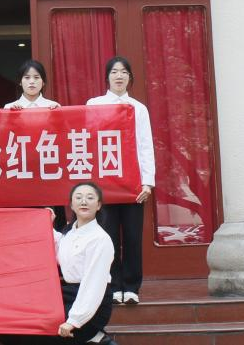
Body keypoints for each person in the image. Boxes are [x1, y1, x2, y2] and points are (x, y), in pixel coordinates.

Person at [0, 182, 117, 345]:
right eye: (78, 197)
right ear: (71, 205)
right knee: (7, 327)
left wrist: (74, 321)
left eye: (90, 198)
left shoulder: (100, 239)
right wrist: (45, 223)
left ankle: (95, 337)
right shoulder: (70, 233)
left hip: (90, 304)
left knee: (35, 332)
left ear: (99, 205)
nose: (83, 201)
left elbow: (93, 285)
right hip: (66, 296)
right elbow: (59, 250)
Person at [85, 57, 154, 306]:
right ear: (107, 77)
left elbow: (145, 145)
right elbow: (88, 141)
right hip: (106, 184)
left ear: (130, 77)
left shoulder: (138, 108)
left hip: (133, 184)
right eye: (114, 72)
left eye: (124, 72)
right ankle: (113, 286)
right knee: (108, 237)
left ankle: (132, 287)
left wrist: (147, 182)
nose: (119, 76)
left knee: (133, 237)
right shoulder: (94, 105)